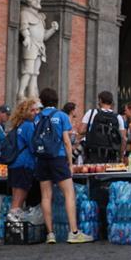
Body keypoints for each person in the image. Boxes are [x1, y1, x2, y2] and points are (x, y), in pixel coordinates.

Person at [35, 88, 92, 244]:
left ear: (42, 100)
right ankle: (73, 232)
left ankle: (50, 234)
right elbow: (67, 142)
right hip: (58, 158)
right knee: (69, 193)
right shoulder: (61, 116)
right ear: (56, 100)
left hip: (42, 158)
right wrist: (71, 163)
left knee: (46, 196)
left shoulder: (37, 117)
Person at [6, 99, 39, 221]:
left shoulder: (18, 125)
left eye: (37, 109)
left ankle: (13, 224)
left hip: (14, 164)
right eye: (32, 110)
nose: (36, 112)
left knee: (15, 198)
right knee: (18, 201)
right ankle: (14, 227)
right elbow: (33, 147)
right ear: (25, 112)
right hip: (25, 164)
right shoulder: (29, 126)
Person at [79, 91, 126, 163]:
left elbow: (81, 130)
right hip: (111, 156)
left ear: (100, 100)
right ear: (111, 102)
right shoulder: (118, 117)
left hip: (93, 154)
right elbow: (123, 138)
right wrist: (121, 156)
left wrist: (92, 129)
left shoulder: (91, 113)